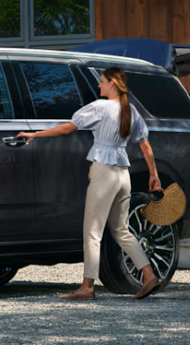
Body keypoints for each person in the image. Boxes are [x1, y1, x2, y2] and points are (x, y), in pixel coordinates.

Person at [16, 67, 163, 301]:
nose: (99, 85)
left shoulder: (100, 107)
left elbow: (68, 128)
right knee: (121, 230)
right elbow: (145, 146)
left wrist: (35, 135)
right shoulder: (131, 110)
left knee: (92, 232)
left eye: (102, 81)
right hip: (123, 174)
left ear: (113, 83)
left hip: (104, 171)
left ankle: (87, 287)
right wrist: (153, 174)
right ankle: (148, 274)